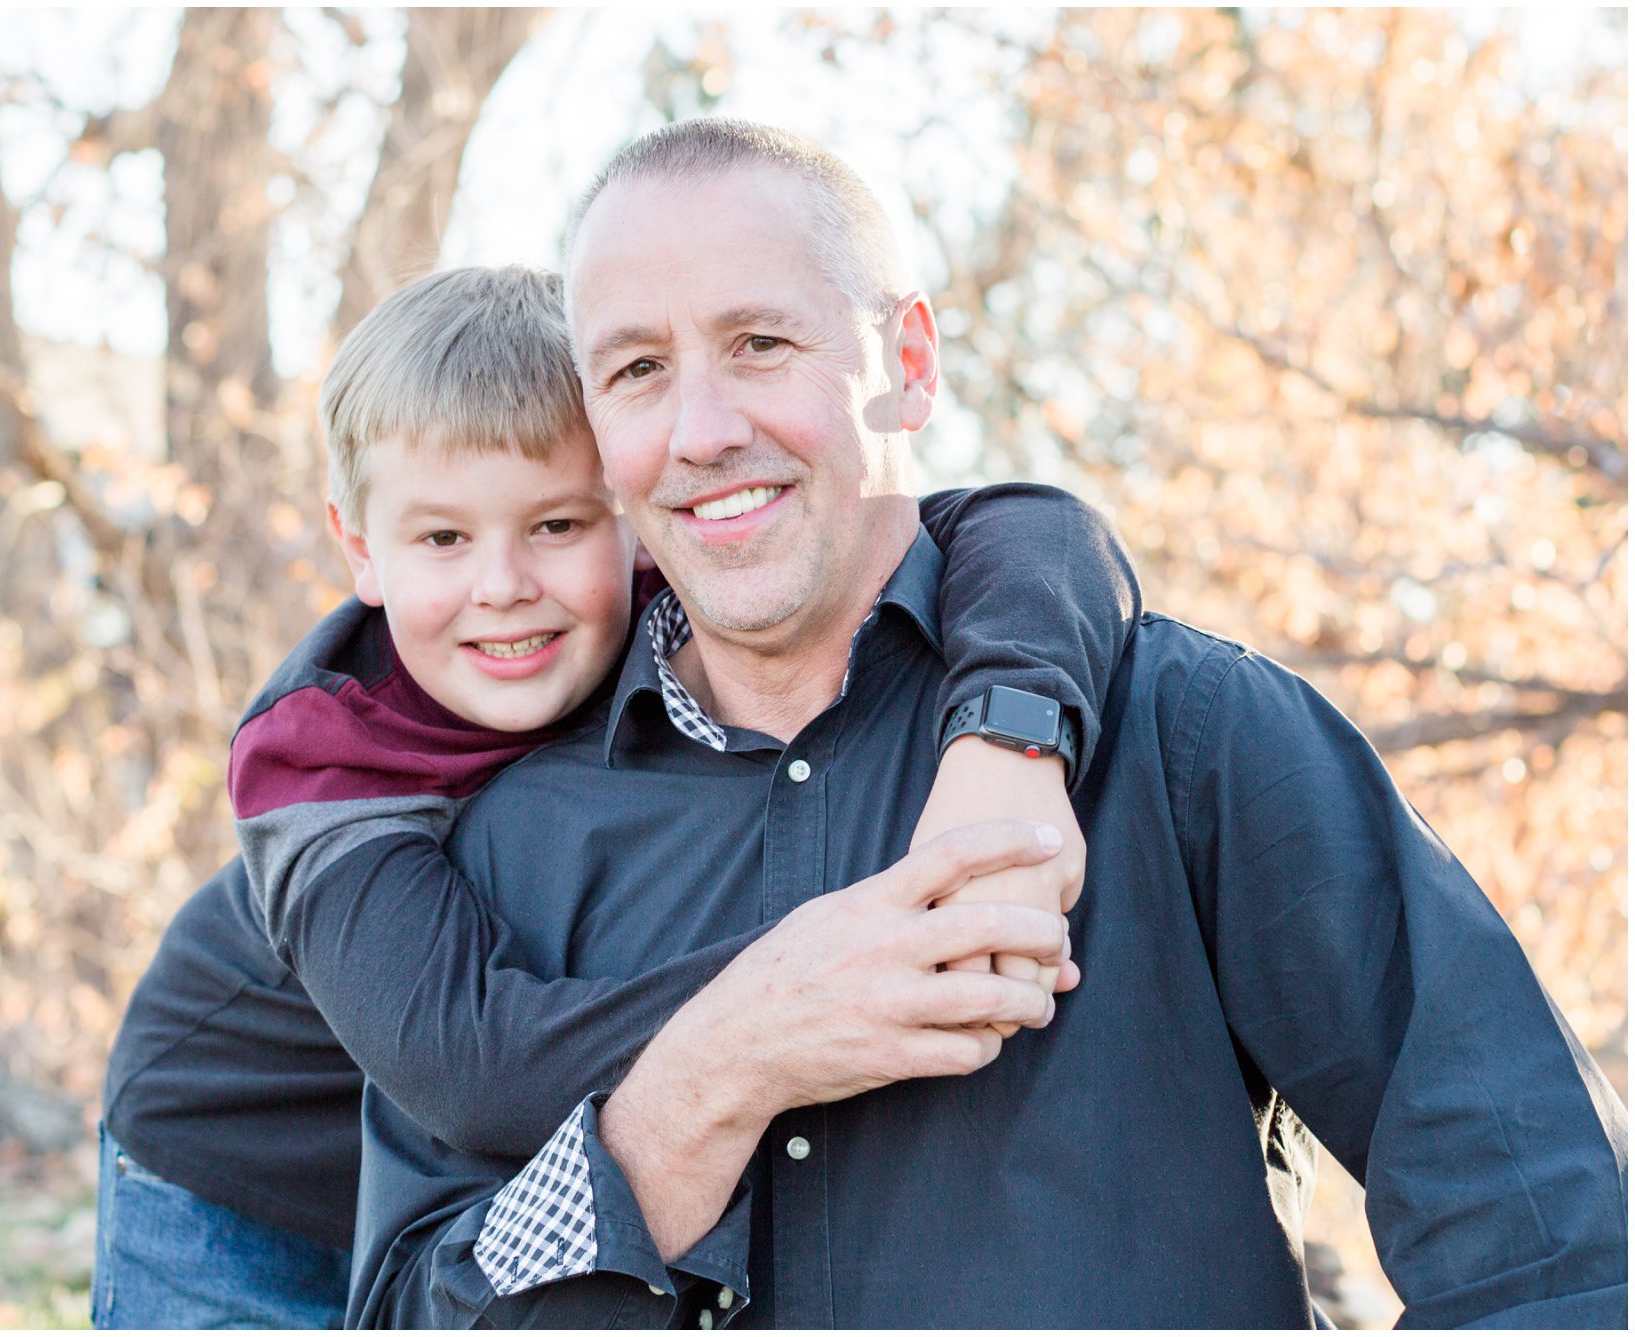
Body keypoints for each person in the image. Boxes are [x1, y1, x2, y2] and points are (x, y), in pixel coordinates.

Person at [347, 119, 1629, 1329]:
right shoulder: (504, 851)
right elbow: (413, 1307)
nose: (701, 431)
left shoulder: (1179, 736)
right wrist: (708, 1078)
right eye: (636, 371)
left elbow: (1541, 1228)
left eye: (759, 344)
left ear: (907, 364)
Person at [93, 264, 1141, 1327]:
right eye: (443, 538)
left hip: (458, 1186)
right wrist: (811, 978)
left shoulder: (674, 610)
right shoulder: (322, 759)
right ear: (360, 545)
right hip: (238, 1172)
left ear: (633, 509)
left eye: (556, 524)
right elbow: (471, 1064)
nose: (503, 584)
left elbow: (1028, 528)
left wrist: (1006, 741)